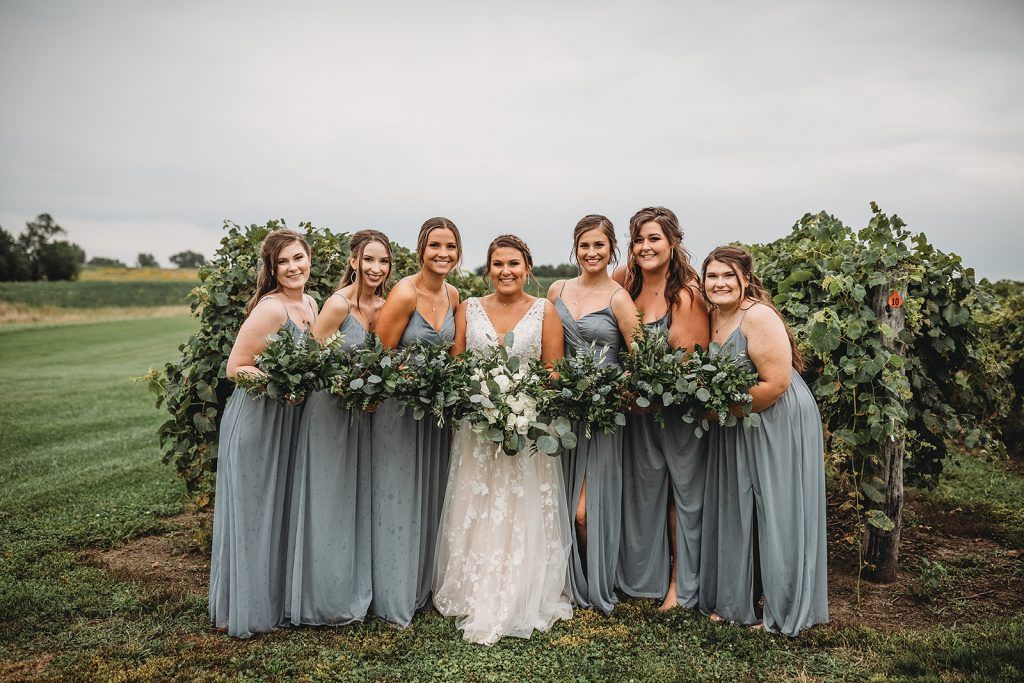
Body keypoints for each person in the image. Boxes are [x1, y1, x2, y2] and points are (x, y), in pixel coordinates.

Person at [434, 234, 572, 644]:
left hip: (528, 426)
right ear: (487, 269)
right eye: (498, 264)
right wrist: (483, 404)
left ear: (527, 268)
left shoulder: (544, 311)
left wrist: (521, 405)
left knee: (521, 500)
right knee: (477, 499)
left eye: (514, 264)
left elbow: (554, 371)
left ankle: (522, 585)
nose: (506, 272)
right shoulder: (468, 308)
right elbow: (457, 363)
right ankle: (471, 583)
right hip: (477, 426)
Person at [698, 245, 828, 636]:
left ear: (744, 279)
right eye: (712, 276)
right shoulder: (714, 315)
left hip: (777, 418)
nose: (718, 283)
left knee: (778, 508)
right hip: (742, 421)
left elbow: (776, 384)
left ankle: (784, 608)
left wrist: (718, 411)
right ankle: (739, 602)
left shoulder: (758, 315)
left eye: (727, 276)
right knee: (740, 505)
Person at [209, 228, 319, 638]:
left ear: (310, 259)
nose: (293, 268)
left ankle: (275, 601)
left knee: (280, 510)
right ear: (272, 270)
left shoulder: (310, 303)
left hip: (288, 422)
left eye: (298, 258)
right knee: (256, 512)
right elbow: (235, 367)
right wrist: (280, 386)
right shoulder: (272, 309)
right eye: (283, 262)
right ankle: (247, 609)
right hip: (258, 421)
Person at [284, 230, 392, 626]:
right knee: (326, 500)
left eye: (383, 261)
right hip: (328, 412)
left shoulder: (383, 305)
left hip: (362, 417)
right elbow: (306, 363)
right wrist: (340, 383)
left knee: (354, 500)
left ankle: (351, 588)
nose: (376, 269)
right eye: (369, 260)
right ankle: (321, 598)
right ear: (354, 262)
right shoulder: (338, 305)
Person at [613, 206, 710, 611]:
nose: (646, 246)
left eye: (655, 238)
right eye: (639, 239)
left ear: (673, 243)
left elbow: (686, 366)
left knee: (681, 494)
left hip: (675, 412)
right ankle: (642, 577)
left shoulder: (685, 295)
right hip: (636, 413)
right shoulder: (624, 282)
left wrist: (644, 394)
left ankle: (680, 584)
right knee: (644, 491)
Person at [370, 217, 461, 627]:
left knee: (432, 493)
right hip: (400, 411)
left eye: (451, 247)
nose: (443, 254)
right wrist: (409, 380)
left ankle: (424, 585)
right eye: (435, 246)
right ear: (421, 249)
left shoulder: (454, 293)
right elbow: (379, 356)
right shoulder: (404, 293)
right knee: (399, 496)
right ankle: (395, 593)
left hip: (436, 413)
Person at [546, 215, 637, 615]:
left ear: (611, 248)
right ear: (575, 248)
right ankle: (564, 578)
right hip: (564, 409)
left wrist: (614, 391)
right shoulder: (557, 289)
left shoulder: (619, 298)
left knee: (585, 510)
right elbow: (547, 348)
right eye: (584, 245)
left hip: (602, 415)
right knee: (560, 502)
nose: (591, 253)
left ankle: (595, 580)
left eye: (599, 246)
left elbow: (640, 361)